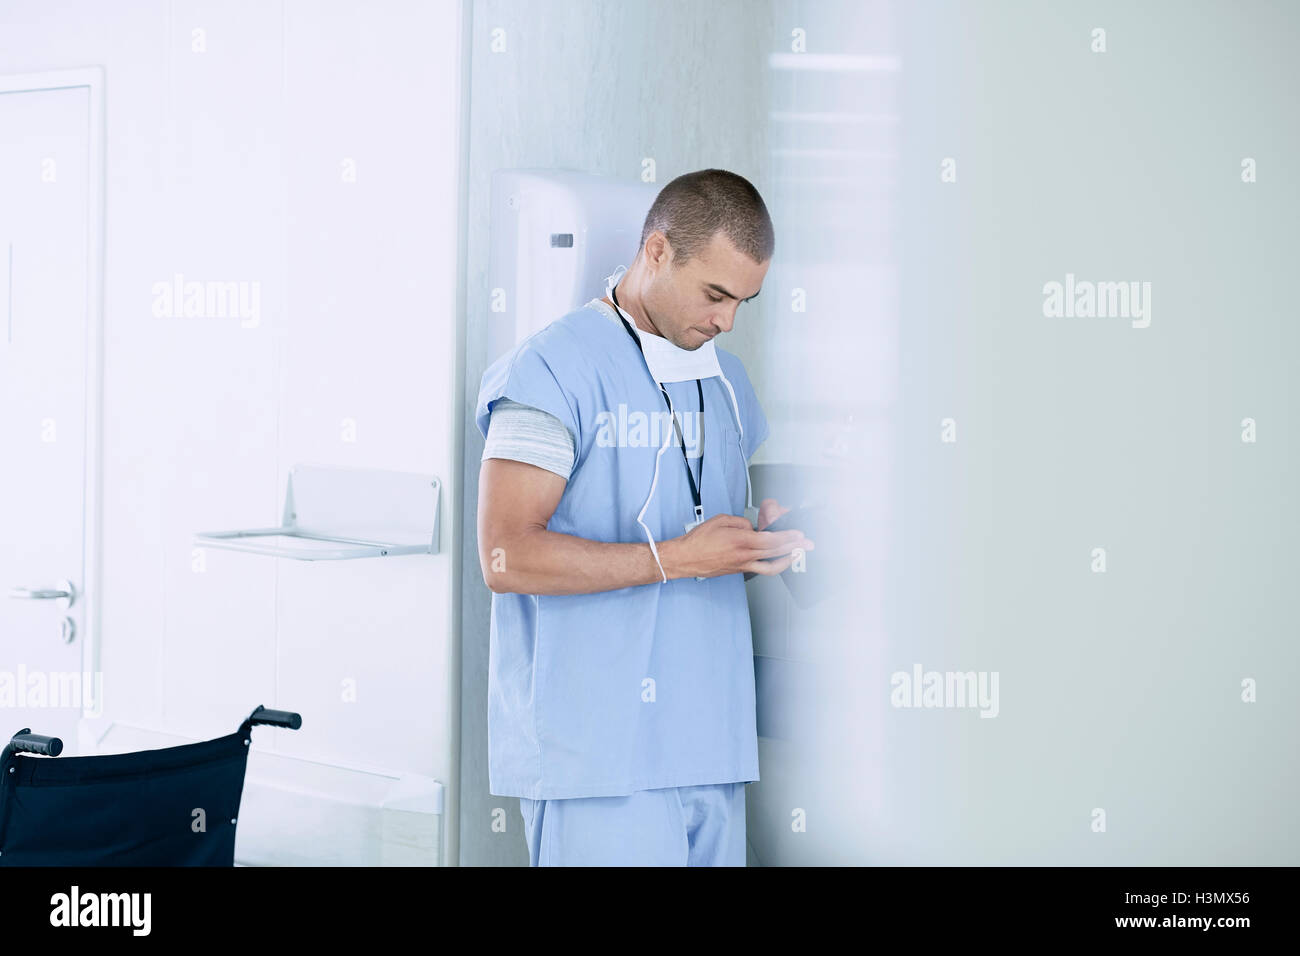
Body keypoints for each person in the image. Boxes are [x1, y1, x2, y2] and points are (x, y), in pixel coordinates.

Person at [474, 168, 812, 866]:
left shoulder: (724, 380)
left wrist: (752, 544)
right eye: (715, 294)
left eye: (744, 301)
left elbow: (698, 536)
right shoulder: (550, 371)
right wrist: (674, 557)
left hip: (711, 746)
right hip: (599, 759)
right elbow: (504, 558)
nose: (726, 320)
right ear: (656, 252)